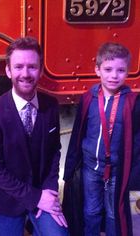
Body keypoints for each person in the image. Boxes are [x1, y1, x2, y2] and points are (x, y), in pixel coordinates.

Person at [0, 36, 69, 235]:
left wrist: (50, 193)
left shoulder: (51, 105)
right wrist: (36, 197)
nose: (26, 74)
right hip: (6, 199)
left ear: (41, 70)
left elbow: (54, 152)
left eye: (32, 67)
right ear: (8, 70)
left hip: (43, 193)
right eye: (18, 67)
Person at [62, 42, 140, 236]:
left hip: (117, 171)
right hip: (91, 168)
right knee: (91, 211)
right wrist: (70, 168)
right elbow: (79, 132)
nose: (114, 75)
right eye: (108, 69)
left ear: (128, 72)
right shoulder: (89, 97)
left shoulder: (133, 102)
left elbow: (137, 142)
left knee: (115, 214)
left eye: (120, 70)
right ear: (97, 70)